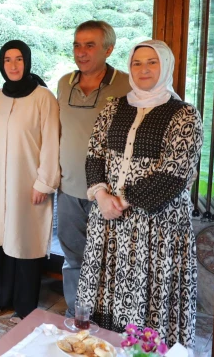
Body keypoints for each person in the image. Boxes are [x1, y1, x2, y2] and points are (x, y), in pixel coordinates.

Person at [77, 40, 202, 347]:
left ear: (165, 66)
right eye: (137, 63)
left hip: (155, 225)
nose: (143, 69)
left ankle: (144, 350)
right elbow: (94, 154)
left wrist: (122, 201)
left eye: (152, 62)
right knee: (105, 293)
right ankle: (104, 348)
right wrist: (101, 196)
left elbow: (175, 173)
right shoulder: (113, 107)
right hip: (108, 219)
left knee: (148, 295)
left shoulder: (184, 115)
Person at [0, 40, 60, 323]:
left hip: (27, 184)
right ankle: (1, 300)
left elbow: (51, 142)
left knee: (24, 243)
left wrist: (44, 182)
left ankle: (25, 308)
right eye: (7, 60)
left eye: (18, 59)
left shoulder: (43, 97)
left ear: (27, 61)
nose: (13, 65)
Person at [56, 20, 130, 317]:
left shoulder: (128, 84)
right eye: (77, 45)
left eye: (90, 45)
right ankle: (78, 315)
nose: (81, 52)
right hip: (69, 188)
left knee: (111, 259)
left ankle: (108, 319)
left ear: (108, 49)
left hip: (110, 194)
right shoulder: (64, 82)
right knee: (73, 257)